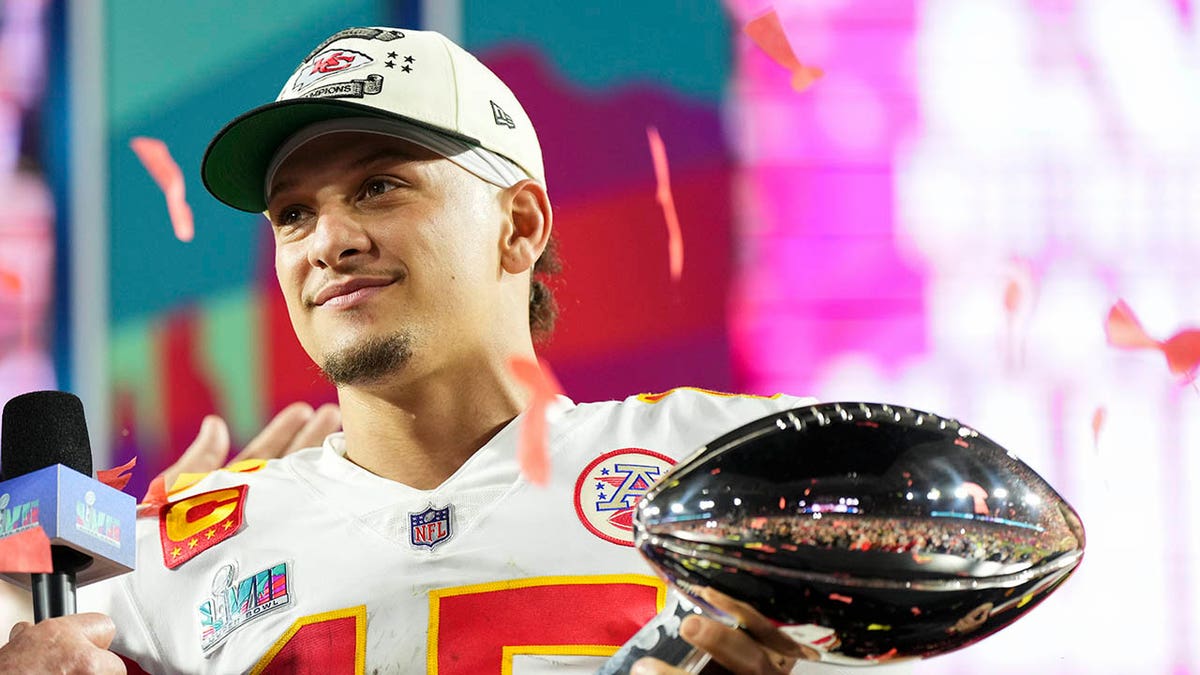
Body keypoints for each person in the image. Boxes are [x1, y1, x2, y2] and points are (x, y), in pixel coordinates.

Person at [70, 26, 845, 674]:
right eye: (294, 212)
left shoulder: (733, 470)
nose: (330, 242)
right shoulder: (166, 560)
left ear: (520, 225)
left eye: (380, 186)